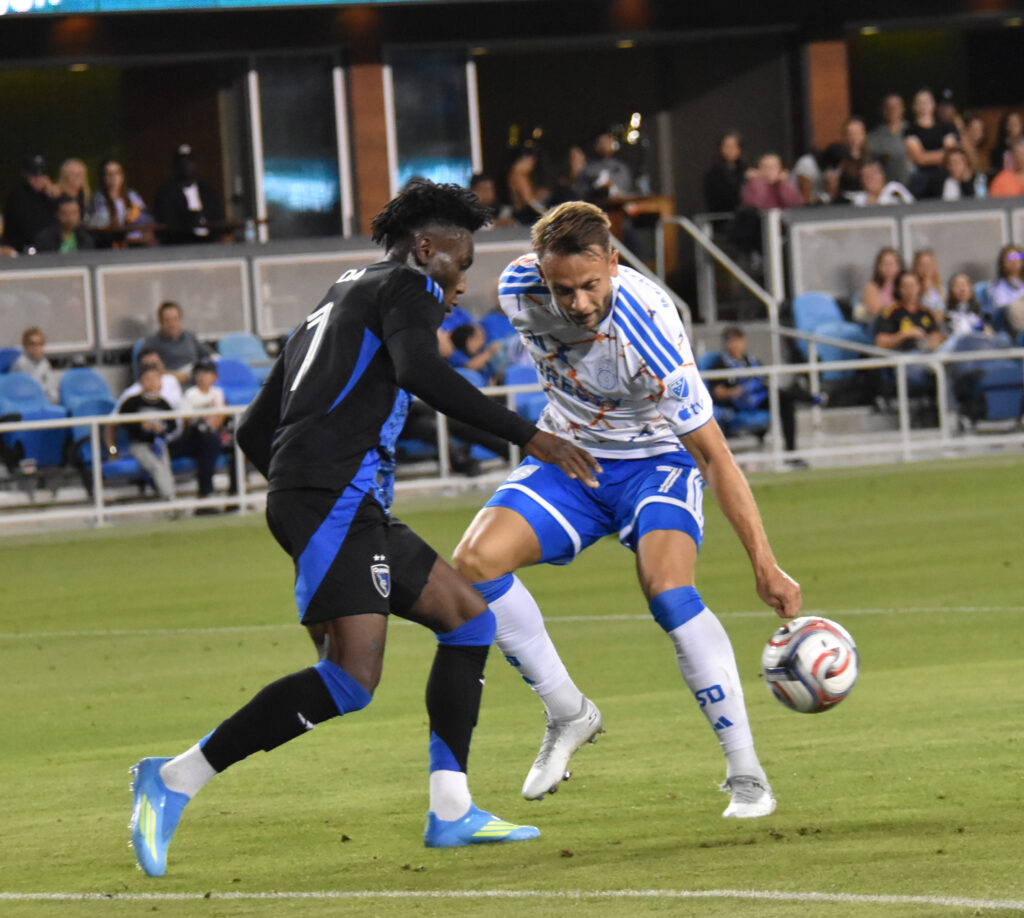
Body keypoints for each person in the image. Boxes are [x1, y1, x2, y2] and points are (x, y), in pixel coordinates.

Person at [128, 180, 600, 877]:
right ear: (425, 248)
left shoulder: (342, 292)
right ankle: (173, 779)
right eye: (459, 264)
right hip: (332, 501)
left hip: (340, 503)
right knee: (351, 679)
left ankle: (451, 810)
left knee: (469, 621)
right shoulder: (407, 289)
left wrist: (303, 494)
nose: (462, 283)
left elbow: (255, 428)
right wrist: (531, 437)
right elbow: (420, 372)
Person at [452, 201, 801, 821]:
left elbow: (716, 458)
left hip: (655, 463)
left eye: (591, 285)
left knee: (667, 589)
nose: (579, 302)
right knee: (473, 564)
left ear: (613, 262)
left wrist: (766, 565)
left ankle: (746, 772)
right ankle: (568, 713)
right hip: (570, 457)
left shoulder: (652, 328)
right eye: (565, 290)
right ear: (540, 272)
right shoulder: (515, 288)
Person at [706, 326, 820, 466]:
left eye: (740, 341)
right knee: (785, 396)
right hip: (737, 405)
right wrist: (736, 392)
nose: (737, 345)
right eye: (734, 341)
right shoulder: (719, 365)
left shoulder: (751, 362)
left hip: (758, 399)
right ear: (727, 344)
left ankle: (791, 453)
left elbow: (765, 378)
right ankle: (811, 399)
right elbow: (717, 391)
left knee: (785, 400)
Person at [175, 358, 236, 506]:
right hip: (193, 438)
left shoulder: (218, 393)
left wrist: (213, 426)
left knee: (236, 446)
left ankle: (236, 493)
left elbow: (220, 417)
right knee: (209, 441)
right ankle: (206, 493)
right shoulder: (190, 394)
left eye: (206, 373)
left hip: (213, 436)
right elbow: (187, 422)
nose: (202, 376)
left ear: (214, 377)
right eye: (199, 373)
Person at [874, 270, 945, 394]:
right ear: (898, 289)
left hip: (929, 356)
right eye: (905, 286)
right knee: (929, 374)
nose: (910, 290)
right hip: (904, 359)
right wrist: (904, 334)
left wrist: (936, 341)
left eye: (913, 286)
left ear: (919, 287)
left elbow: (936, 336)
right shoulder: (890, 312)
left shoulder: (926, 312)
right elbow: (881, 342)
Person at [116, 363, 176, 503]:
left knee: (165, 466)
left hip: (158, 444)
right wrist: (141, 425)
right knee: (156, 466)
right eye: (147, 379)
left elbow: (172, 425)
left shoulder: (164, 404)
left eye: (155, 379)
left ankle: (168, 496)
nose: (151, 383)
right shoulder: (131, 402)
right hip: (139, 444)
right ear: (141, 382)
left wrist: (162, 429)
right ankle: (170, 498)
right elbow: (123, 422)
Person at [153, 143, 228, 244]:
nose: (186, 165)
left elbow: (218, 217)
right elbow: (169, 222)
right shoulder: (166, 193)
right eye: (182, 161)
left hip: (210, 242)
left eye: (189, 161)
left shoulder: (208, 191)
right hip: (182, 244)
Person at [904, 88, 959, 200]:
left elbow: (951, 153)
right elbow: (919, 158)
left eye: (927, 102)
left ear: (933, 104)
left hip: (944, 177)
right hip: (921, 181)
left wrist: (927, 155)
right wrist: (942, 154)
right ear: (914, 107)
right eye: (920, 103)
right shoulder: (910, 130)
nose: (924, 106)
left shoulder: (946, 127)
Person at [142, 301, 214, 384]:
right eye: (168, 320)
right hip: (171, 384)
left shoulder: (189, 337)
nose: (172, 324)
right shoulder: (152, 343)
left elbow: (211, 356)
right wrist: (175, 376)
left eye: (176, 319)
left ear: (181, 320)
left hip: (197, 383)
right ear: (160, 322)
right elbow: (149, 375)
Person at [88, 158, 154, 246]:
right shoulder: (99, 197)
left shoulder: (131, 195)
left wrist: (133, 217)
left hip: (133, 240)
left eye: (117, 173)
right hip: (108, 241)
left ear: (122, 175)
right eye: (109, 174)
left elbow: (146, 218)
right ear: (103, 177)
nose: (114, 177)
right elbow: (99, 222)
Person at [1, 154, 58, 253]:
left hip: (47, 249)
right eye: (34, 175)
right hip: (21, 250)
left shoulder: (50, 195)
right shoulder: (17, 196)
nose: (38, 179)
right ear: (26, 175)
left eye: (42, 174)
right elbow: (28, 228)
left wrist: (54, 199)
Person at [866, 93, 912, 187]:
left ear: (903, 109)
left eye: (896, 107)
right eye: (889, 107)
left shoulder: (913, 131)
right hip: (885, 187)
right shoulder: (874, 136)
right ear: (883, 110)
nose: (892, 110)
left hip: (912, 185)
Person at [573, 131, 633, 201]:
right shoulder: (588, 169)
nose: (604, 145)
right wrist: (596, 188)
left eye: (607, 141)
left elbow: (628, 189)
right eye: (601, 142)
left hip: (617, 205)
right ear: (596, 146)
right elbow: (579, 191)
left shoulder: (621, 167)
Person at [854, 246, 903, 325]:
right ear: (878, 266)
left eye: (891, 264)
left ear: (898, 266)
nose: (888, 267)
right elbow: (875, 311)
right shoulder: (871, 286)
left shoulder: (903, 284)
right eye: (885, 264)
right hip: (880, 325)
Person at [30, 195, 96, 254]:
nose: (71, 218)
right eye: (66, 213)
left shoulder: (85, 239)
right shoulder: (45, 239)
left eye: (74, 213)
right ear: (57, 214)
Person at [11, 326, 59, 403]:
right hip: (27, 403)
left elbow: (53, 391)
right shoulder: (20, 364)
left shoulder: (45, 364)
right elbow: (20, 392)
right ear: (25, 346)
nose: (36, 348)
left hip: (45, 402)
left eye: (40, 344)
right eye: (32, 344)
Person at [702, 132, 748, 213]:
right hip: (723, 216)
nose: (731, 150)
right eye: (727, 146)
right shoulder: (713, 173)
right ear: (720, 148)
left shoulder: (746, 170)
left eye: (734, 146)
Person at [846, 158, 913, 206]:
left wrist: (877, 202)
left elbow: (912, 208)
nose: (870, 178)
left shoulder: (894, 189)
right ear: (861, 181)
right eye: (866, 176)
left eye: (873, 173)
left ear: (882, 175)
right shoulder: (858, 198)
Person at [912, 249, 945, 317]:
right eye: (922, 265)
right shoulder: (913, 289)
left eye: (929, 264)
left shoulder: (941, 288)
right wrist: (925, 291)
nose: (926, 268)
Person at [989, 111, 1023, 175]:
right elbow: (994, 170)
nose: (1015, 126)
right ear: (1007, 126)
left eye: (1017, 123)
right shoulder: (999, 149)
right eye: (1012, 123)